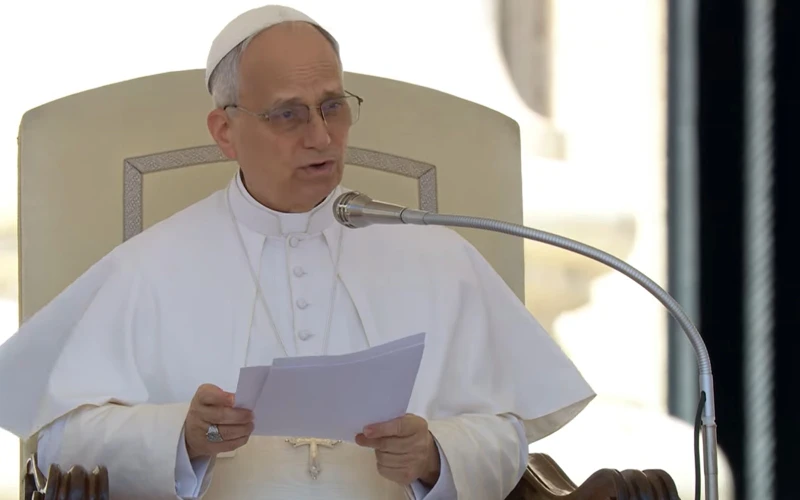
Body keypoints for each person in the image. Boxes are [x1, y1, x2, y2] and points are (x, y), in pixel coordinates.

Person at [0, 4, 594, 499]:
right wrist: (178, 436)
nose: (321, 136)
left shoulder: (438, 256)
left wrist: (437, 454)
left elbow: (507, 437)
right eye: (288, 114)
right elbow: (59, 444)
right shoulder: (150, 267)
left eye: (333, 106)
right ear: (225, 132)